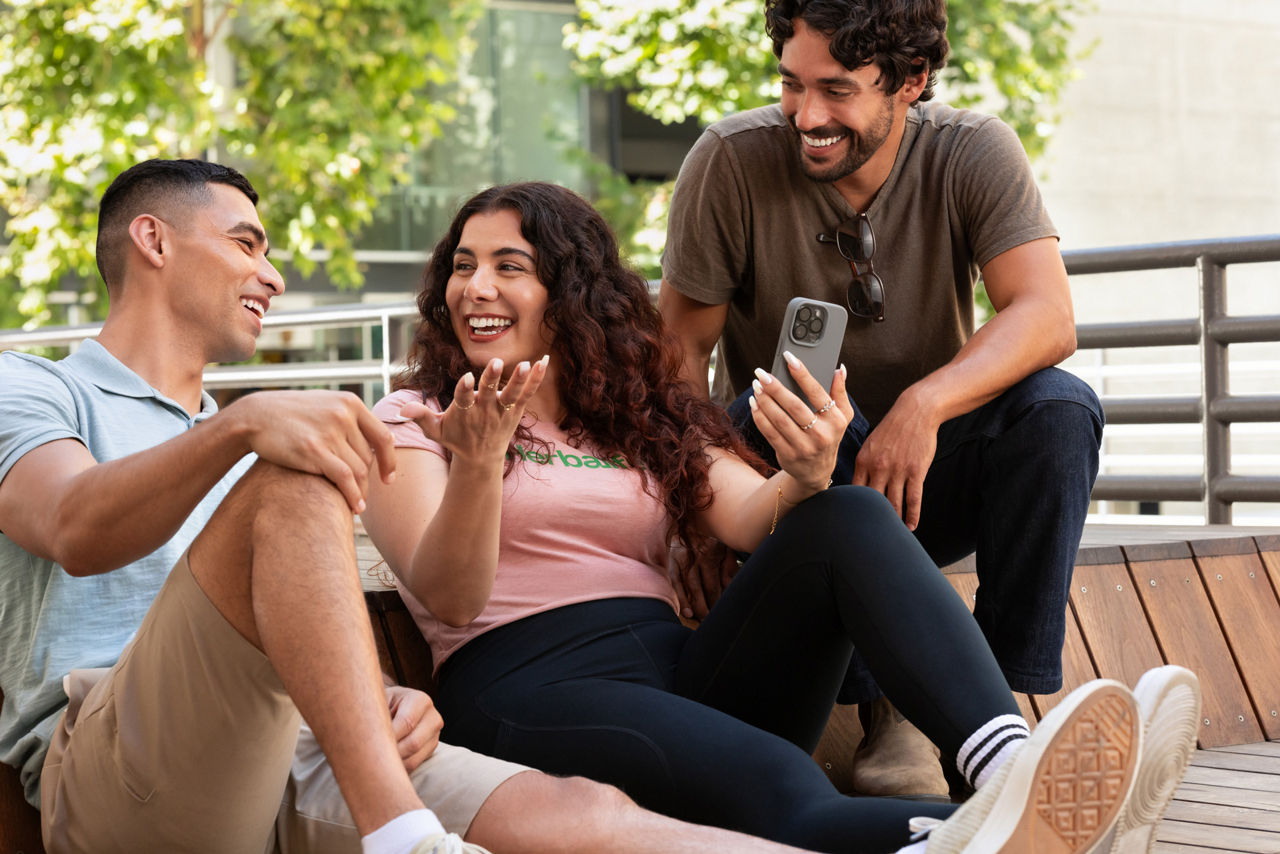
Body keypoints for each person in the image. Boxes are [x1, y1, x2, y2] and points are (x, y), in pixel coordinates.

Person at [0, 158, 866, 854]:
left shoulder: (232, 436)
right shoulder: (34, 389)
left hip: (302, 749)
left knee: (589, 817)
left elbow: (285, 610)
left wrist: (378, 689)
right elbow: (73, 526)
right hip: (118, 764)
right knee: (291, 481)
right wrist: (245, 430)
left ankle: (942, 840)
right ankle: (403, 834)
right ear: (152, 239)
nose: (271, 273)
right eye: (247, 243)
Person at [360, 181, 1193, 854]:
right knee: (783, 794)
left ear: (567, 295)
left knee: (846, 515)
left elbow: (759, 518)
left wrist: (804, 468)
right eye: (463, 266)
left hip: (679, 667)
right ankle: (1045, 835)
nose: (476, 288)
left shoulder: (627, 417)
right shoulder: (416, 417)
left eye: (509, 266)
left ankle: (1007, 771)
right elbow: (452, 596)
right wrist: (477, 462)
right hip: (530, 683)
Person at [657, 0, 1106, 796]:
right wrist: (688, 511)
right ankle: (886, 709)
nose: (807, 115)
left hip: (927, 475)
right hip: (789, 481)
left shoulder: (974, 151)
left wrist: (924, 406)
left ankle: (987, 701)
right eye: (792, 85)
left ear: (911, 81)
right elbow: (678, 354)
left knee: (1060, 411)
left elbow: (1046, 314)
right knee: (765, 412)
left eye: (837, 90)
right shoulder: (729, 159)